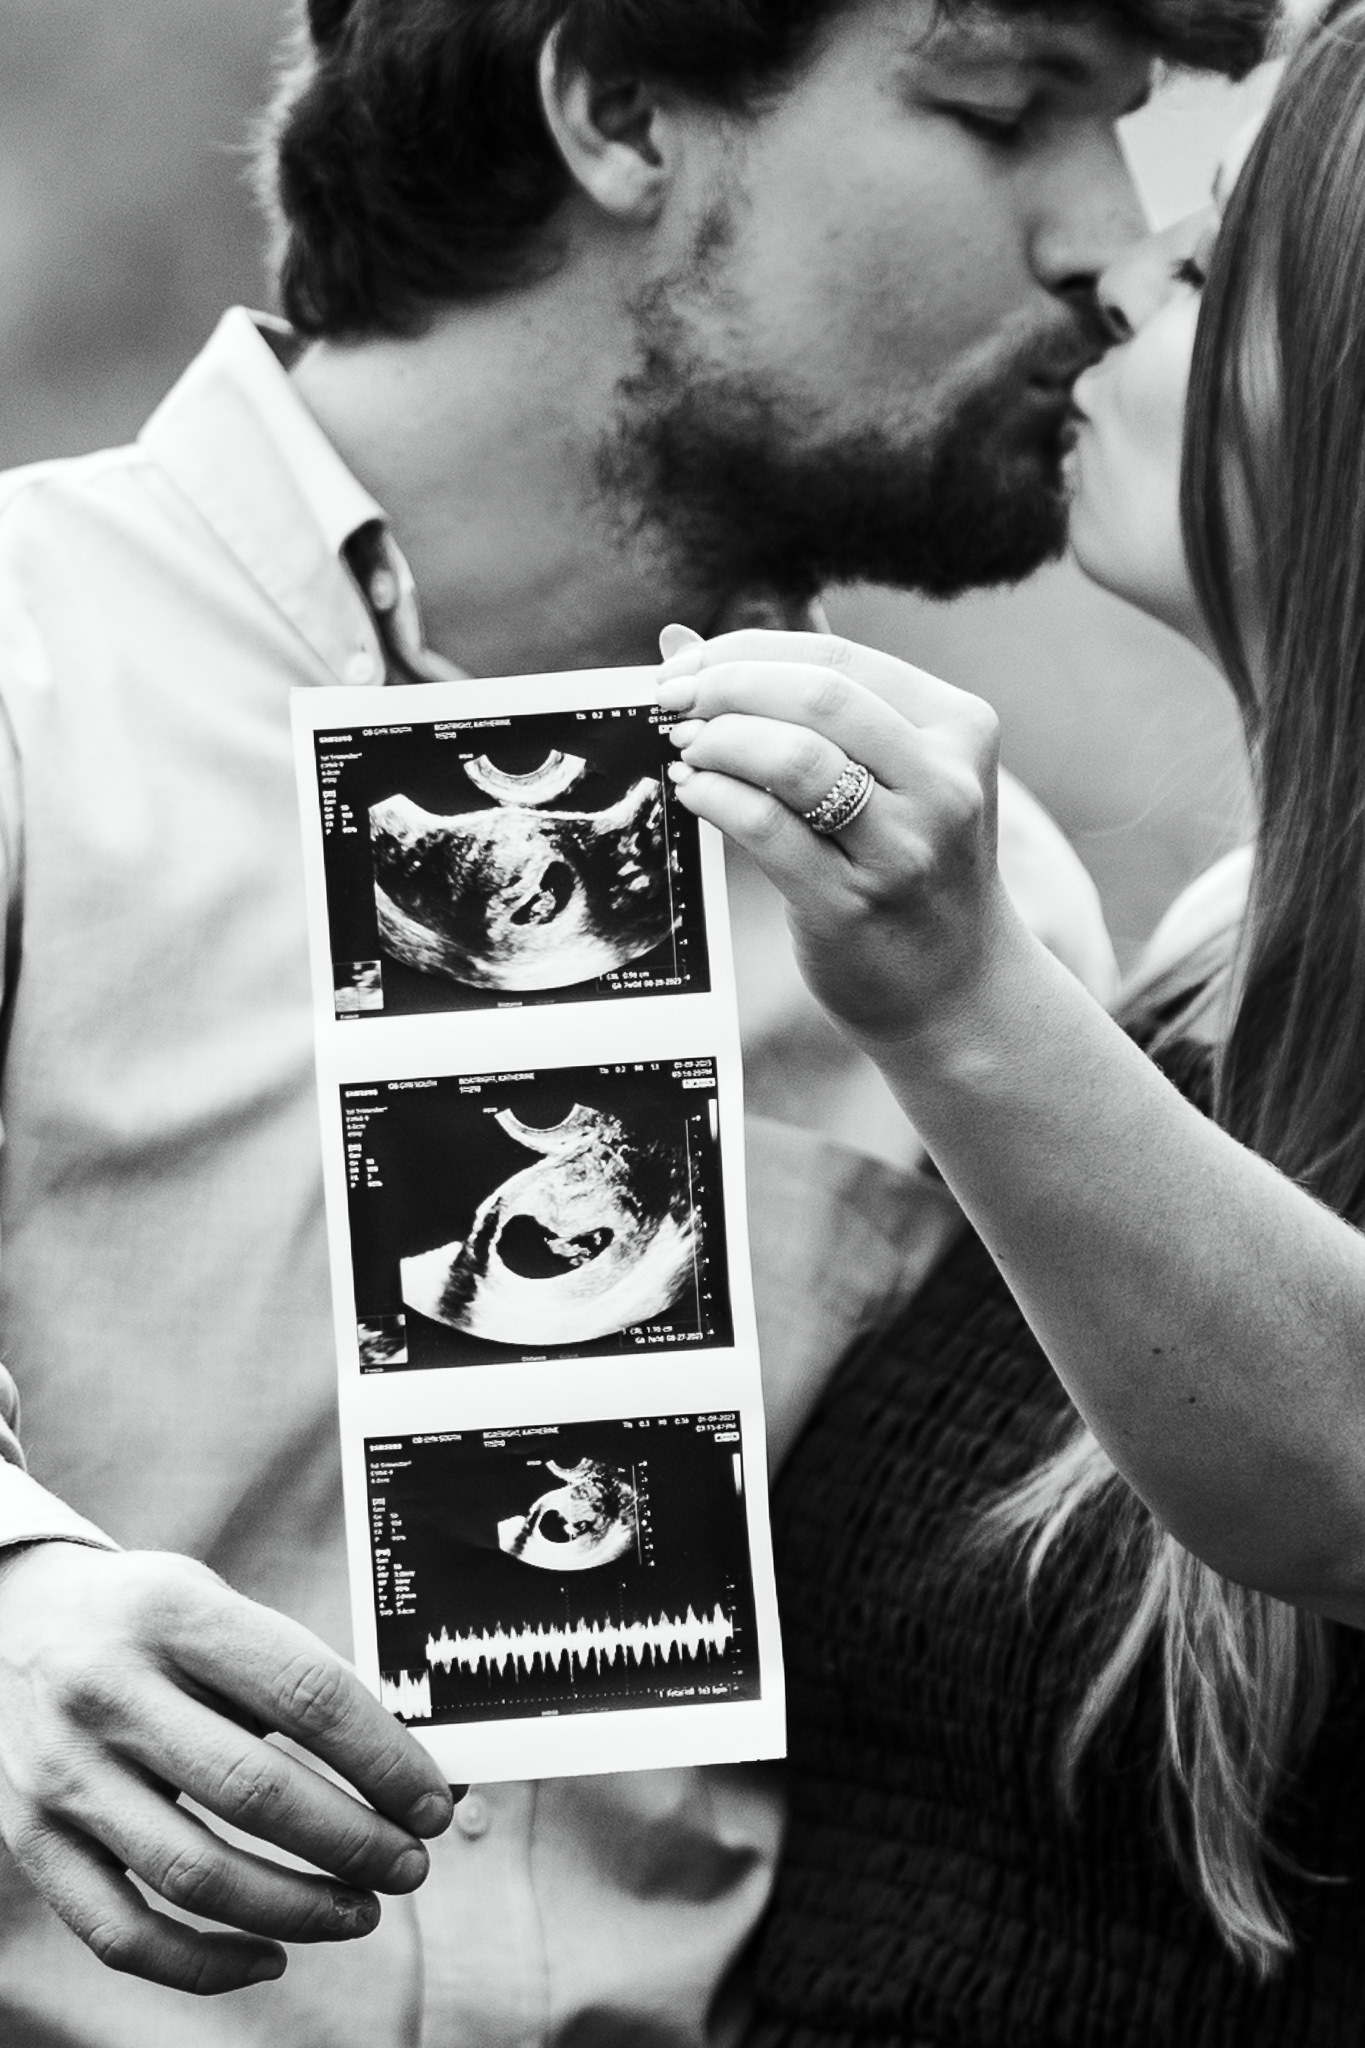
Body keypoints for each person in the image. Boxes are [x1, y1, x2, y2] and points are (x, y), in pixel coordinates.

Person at [0, 0, 1270, 2040]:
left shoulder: (963, 897)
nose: (1097, 239)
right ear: (616, 114)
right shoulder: (25, 676)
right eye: (1005, 111)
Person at [654, 3, 1365, 2038]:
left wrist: (958, 997)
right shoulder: (1188, 966)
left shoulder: (1019, 976)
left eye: (1218, 256)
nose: (1111, 267)